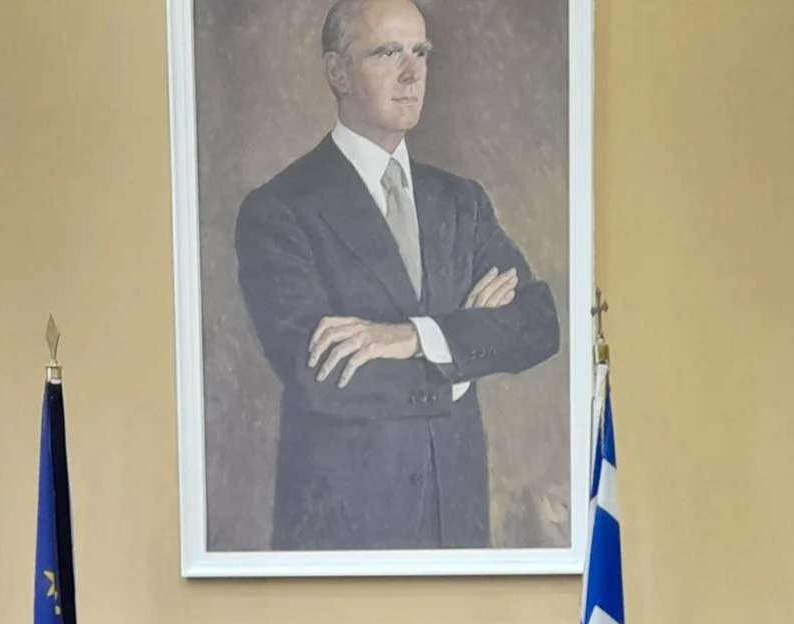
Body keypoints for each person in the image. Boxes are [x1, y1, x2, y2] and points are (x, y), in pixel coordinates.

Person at [235, 0, 561, 551]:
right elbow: (322, 378)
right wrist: (462, 348)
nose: (412, 73)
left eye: (421, 52)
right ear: (337, 73)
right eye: (388, 53)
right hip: (346, 541)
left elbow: (539, 324)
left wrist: (412, 338)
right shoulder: (279, 209)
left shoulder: (461, 202)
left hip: (458, 530)